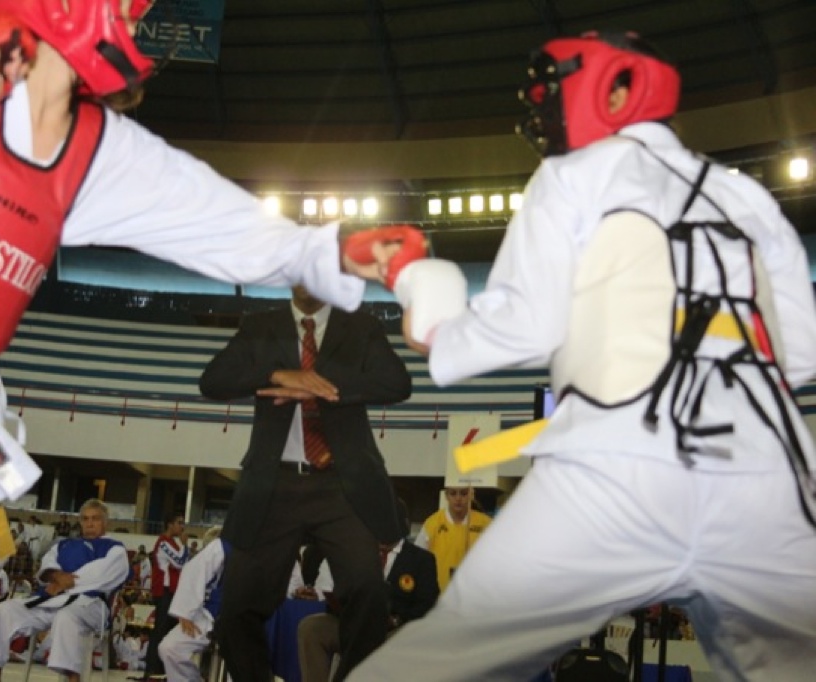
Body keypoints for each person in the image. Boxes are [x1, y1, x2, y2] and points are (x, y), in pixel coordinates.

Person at [0, 0, 414, 679]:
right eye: (125, 6)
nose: (134, 21)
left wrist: (331, 254)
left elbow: (205, 215)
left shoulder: (98, 148)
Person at [348, 30, 816, 680]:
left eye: (554, 92)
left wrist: (415, 283)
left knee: (431, 667)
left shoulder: (573, 174)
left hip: (618, 470)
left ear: (616, 91)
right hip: (768, 478)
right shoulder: (748, 197)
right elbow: (801, 353)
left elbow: (516, 330)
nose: (545, 112)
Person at [200, 284, 412, 681]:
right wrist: (277, 374)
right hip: (273, 484)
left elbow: (398, 383)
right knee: (236, 611)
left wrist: (321, 384)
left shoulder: (361, 327)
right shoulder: (260, 327)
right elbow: (213, 381)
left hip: (342, 485)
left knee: (368, 594)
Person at [0, 498, 129, 682]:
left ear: (105, 522)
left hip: (90, 605)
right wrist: (57, 577)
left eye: (95, 519)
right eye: (85, 519)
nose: (89, 523)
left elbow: (100, 575)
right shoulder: (64, 544)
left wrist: (63, 582)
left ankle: (73, 677)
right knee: (4, 611)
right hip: (52, 599)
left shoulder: (115, 549)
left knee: (67, 616)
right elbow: (47, 566)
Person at [298, 523, 439, 682]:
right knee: (311, 627)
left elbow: (426, 607)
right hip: (353, 625)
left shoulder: (422, 559)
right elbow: (340, 590)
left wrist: (395, 619)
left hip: (393, 631)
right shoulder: (357, 551)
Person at [158, 526, 225, 682]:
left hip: (233, 620)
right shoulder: (198, 564)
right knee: (169, 648)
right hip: (202, 618)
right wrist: (185, 612)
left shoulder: (238, 560)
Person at [414, 485, 492, 591]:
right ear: (446, 496)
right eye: (453, 493)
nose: (458, 498)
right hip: (440, 593)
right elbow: (417, 561)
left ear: (471, 495)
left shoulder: (485, 523)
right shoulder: (432, 524)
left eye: (463, 493)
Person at [144, 513, 190, 677]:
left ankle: (162, 668)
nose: (182, 526)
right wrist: (185, 546)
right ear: (170, 524)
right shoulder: (164, 543)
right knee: (161, 630)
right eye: (179, 523)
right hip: (164, 591)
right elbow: (179, 562)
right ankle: (152, 669)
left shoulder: (172, 543)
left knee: (168, 631)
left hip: (171, 592)